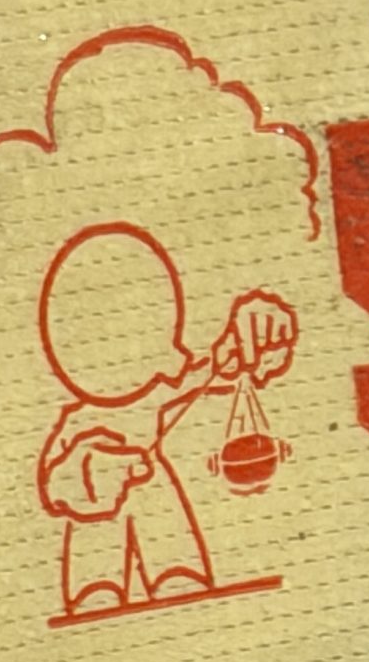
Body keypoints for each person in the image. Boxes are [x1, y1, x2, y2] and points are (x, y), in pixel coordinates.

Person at [35, 222, 297, 619]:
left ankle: (181, 587)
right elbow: (56, 480)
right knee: (97, 585)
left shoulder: (153, 389)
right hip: (96, 524)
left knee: (178, 569)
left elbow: (211, 369)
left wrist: (248, 336)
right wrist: (90, 473)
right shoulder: (76, 425)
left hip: (154, 489)